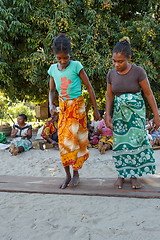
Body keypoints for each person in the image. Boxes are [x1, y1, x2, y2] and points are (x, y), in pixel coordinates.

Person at [105, 37, 160, 189]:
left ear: (129, 58)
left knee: (135, 143)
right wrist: (107, 114)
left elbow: (148, 94)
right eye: (114, 61)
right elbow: (109, 96)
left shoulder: (138, 72)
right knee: (120, 144)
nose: (116, 64)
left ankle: (134, 176)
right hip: (119, 115)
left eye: (120, 61)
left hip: (136, 115)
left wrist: (156, 116)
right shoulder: (111, 74)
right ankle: (121, 175)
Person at [48, 33, 99, 189]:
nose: (63, 62)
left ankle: (76, 173)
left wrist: (96, 109)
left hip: (77, 107)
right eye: (59, 59)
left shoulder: (76, 66)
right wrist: (51, 104)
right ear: (55, 56)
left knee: (76, 141)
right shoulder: (52, 69)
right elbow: (51, 91)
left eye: (66, 58)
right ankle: (68, 175)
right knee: (63, 141)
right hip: (63, 108)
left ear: (70, 55)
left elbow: (89, 88)